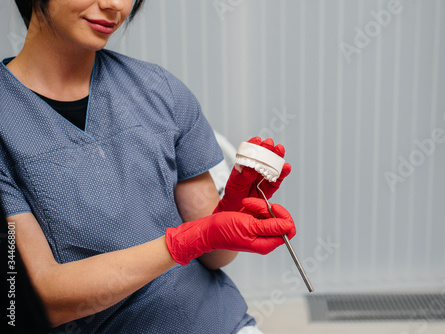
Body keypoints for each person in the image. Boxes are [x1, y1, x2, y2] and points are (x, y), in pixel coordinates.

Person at [0, 1, 294, 333]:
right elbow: (40, 300)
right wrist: (183, 242)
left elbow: (215, 256)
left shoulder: (160, 90)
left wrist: (231, 212)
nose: (114, 5)